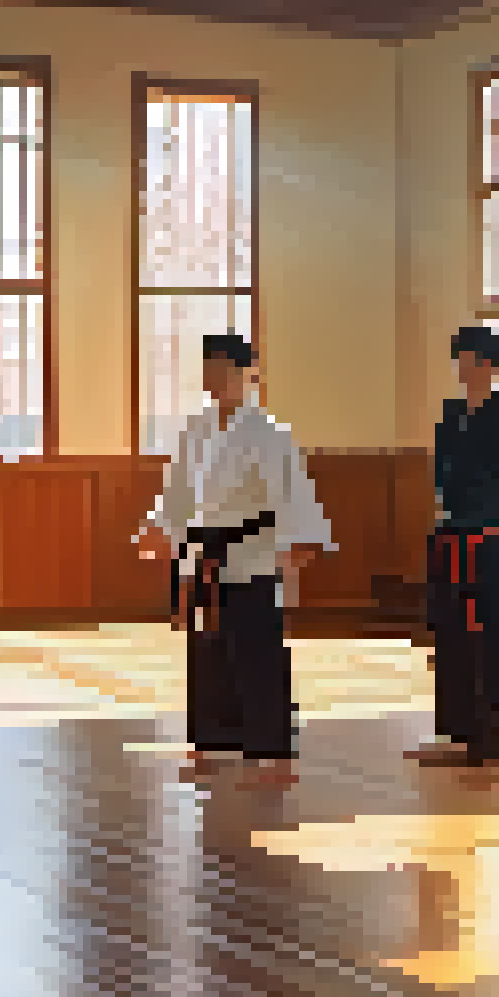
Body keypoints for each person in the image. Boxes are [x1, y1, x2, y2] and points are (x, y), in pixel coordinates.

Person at [134, 334, 331, 788]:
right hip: (204, 552)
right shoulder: (196, 430)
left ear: (248, 375)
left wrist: (300, 544)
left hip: (254, 551)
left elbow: (293, 493)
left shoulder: (266, 432)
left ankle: (272, 750)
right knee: (207, 651)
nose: (218, 379)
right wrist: (158, 528)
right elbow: (178, 494)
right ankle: (213, 742)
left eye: (227, 370)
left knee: (257, 651)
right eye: (211, 369)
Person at [407, 326, 499, 770]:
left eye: (474, 360)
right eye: (461, 361)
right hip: (451, 540)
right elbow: (442, 484)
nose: (466, 369)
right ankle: (457, 732)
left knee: (495, 635)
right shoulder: (449, 420)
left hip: (492, 544)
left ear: (491, 366)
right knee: (450, 635)